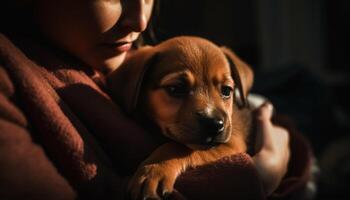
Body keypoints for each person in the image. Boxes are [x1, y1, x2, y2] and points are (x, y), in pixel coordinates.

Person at [0, 0, 311, 199]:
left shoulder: (125, 60)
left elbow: (261, 126)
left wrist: (284, 148)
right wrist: (259, 175)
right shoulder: (13, 81)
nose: (141, 21)